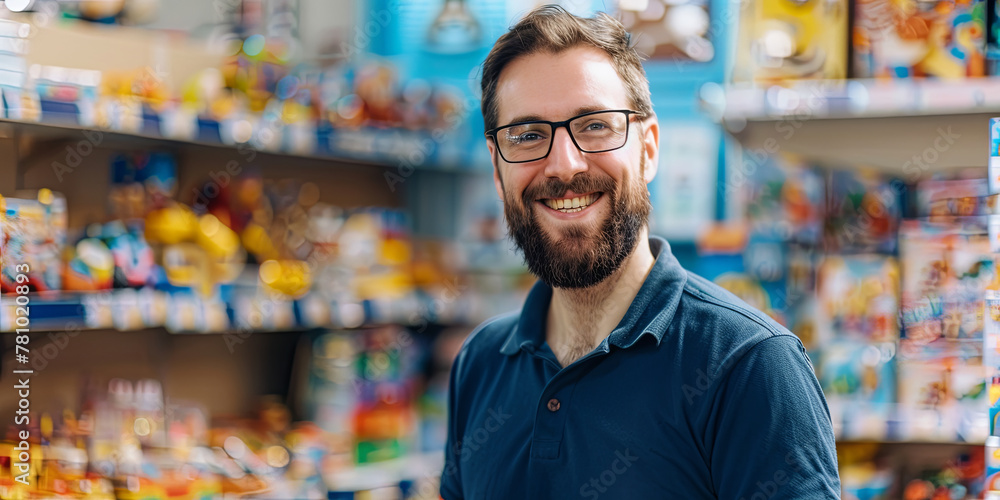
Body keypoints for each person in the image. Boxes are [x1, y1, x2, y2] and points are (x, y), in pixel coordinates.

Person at [440, 5, 840, 500]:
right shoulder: (479, 364)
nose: (564, 165)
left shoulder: (750, 367)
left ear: (648, 149)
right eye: (527, 136)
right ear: (498, 171)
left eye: (595, 125)